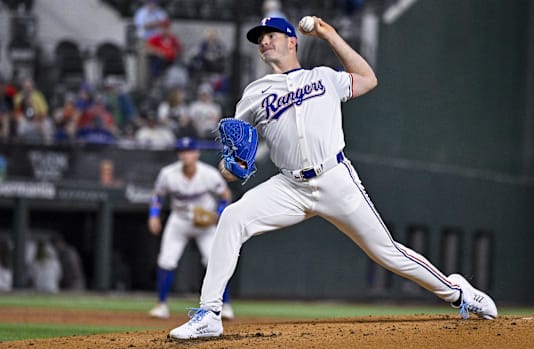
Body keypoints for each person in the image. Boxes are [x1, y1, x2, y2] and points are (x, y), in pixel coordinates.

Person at [169, 16, 498, 340]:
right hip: (289, 186)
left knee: (387, 253)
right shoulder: (255, 93)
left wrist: (330, 35)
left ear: (292, 41)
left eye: (271, 35)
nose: (264, 41)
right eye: (260, 39)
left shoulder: (325, 77)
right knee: (233, 217)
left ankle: (458, 293)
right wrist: (232, 168)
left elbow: (368, 78)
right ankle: (209, 314)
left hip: (334, 177)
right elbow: (233, 157)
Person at [148, 137, 235, 320]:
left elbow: (225, 195)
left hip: (205, 223)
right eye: (182, 151)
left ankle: (225, 305)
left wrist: (219, 213)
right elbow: (157, 195)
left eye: (188, 151)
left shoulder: (209, 174)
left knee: (215, 262)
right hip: (179, 221)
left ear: (196, 153)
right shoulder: (168, 174)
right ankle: (161, 305)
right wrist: (154, 215)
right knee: (166, 261)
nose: (185, 155)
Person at [145, 19, 182, 83]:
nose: (164, 30)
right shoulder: (155, 38)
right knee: (157, 63)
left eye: (166, 28)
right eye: (162, 28)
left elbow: (178, 49)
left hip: (171, 61)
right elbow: (148, 49)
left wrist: (174, 52)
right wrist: (158, 52)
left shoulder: (172, 38)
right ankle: (158, 81)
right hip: (159, 61)